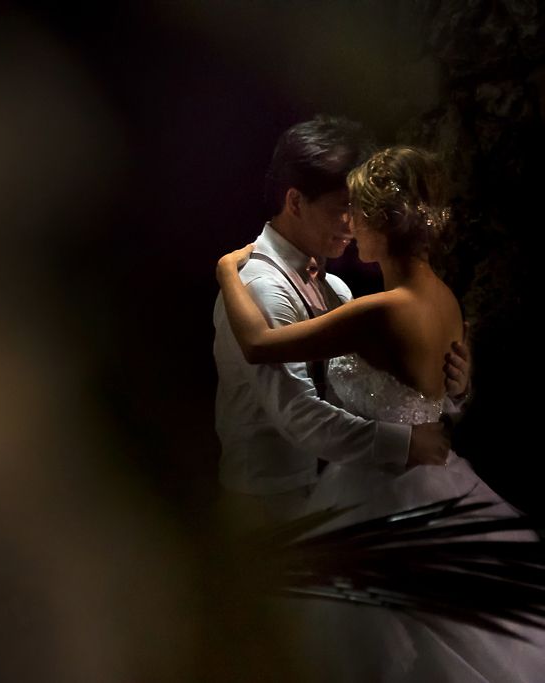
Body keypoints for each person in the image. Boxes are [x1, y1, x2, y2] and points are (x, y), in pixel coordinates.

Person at [217, 145, 543, 682]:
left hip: (380, 491)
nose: (349, 225)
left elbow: (257, 344)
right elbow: (436, 393)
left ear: (381, 224)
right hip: (435, 480)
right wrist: (460, 388)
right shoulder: (443, 298)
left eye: (357, 213)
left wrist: (227, 270)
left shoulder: (379, 311)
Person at [212, 116, 470, 526]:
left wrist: (446, 387)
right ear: (295, 202)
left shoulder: (336, 288)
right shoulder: (259, 287)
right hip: (272, 501)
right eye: (343, 209)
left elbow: (372, 394)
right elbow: (298, 412)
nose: (354, 224)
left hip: (351, 490)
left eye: (361, 209)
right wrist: (404, 443)